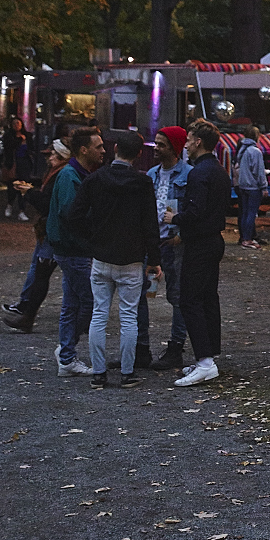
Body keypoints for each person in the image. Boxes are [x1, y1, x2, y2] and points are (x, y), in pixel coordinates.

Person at [63, 131, 162, 389]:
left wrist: (92, 239)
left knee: (99, 314)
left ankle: (99, 373)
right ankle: (127, 373)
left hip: (102, 257)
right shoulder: (142, 183)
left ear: (115, 148)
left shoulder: (95, 179)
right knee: (129, 317)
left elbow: (74, 216)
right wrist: (154, 257)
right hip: (131, 258)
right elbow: (150, 223)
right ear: (138, 154)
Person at [166, 121, 226, 386]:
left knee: (190, 300)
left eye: (189, 140)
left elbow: (195, 211)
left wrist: (175, 218)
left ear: (198, 142)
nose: (186, 145)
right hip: (213, 240)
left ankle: (205, 361)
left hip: (200, 243)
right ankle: (208, 355)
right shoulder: (218, 170)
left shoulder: (198, 173)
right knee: (208, 298)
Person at [45, 129, 104, 376]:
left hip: (69, 248)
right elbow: (71, 214)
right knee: (88, 301)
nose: (103, 151)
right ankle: (67, 352)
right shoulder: (71, 176)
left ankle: (67, 356)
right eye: (98, 147)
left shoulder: (73, 174)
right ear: (83, 149)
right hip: (73, 249)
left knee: (71, 303)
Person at [0, 139, 70, 332]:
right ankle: (27, 309)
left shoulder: (62, 173)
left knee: (43, 273)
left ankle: (27, 311)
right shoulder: (58, 172)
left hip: (54, 229)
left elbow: (47, 203)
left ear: (62, 155)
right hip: (51, 229)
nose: (49, 158)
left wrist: (30, 192)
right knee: (42, 271)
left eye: (53, 154)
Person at [146, 126, 191, 371]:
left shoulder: (188, 175)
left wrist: (182, 234)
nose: (156, 148)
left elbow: (192, 210)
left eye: (161, 144)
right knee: (144, 292)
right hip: (153, 243)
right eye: (156, 143)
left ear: (174, 148)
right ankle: (141, 346)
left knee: (177, 295)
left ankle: (176, 347)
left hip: (174, 244)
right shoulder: (151, 174)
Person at [233, 125, 265, 250]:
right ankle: (248, 238)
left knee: (245, 212)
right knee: (252, 213)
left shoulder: (242, 150)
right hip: (253, 186)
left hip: (243, 185)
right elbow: (259, 171)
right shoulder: (255, 151)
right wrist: (264, 186)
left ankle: (244, 238)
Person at [3, 116, 30, 220]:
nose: (17, 125)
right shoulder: (8, 136)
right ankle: (10, 205)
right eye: (14, 124)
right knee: (12, 186)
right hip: (13, 163)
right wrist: (19, 140)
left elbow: (31, 148)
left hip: (24, 164)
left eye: (18, 123)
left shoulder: (27, 135)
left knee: (23, 187)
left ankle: (22, 211)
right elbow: (9, 147)